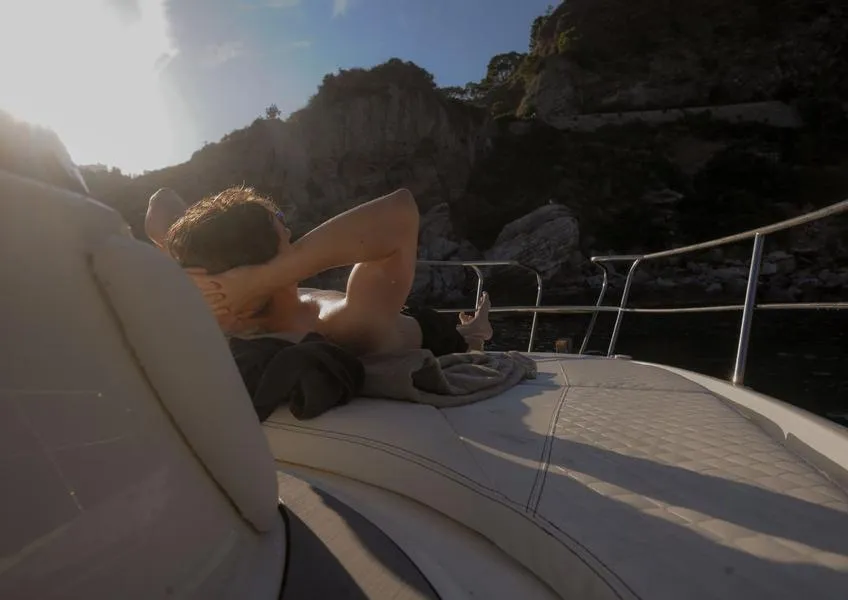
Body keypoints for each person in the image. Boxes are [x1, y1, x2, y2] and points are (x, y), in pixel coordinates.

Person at [160, 186, 493, 356]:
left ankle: (474, 326)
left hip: (400, 311)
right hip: (429, 334)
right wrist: (261, 279)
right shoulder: (340, 324)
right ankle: (477, 331)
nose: (291, 231)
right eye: (281, 225)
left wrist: (192, 270)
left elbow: (161, 201)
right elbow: (402, 211)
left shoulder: (224, 313)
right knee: (465, 335)